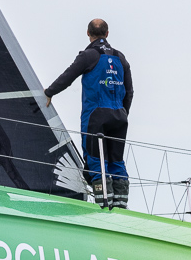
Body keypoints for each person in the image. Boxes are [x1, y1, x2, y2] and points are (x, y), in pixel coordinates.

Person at [45, 19, 133, 208]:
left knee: (95, 160)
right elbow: (130, 91)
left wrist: (49, 92)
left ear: (88, 33)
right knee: (116, 161)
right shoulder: (121, 58)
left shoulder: (89, 55)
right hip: (119, 117)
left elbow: (67, 77)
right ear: (107, 34)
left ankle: (104, 206)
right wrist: (123, 113)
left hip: (96, 117)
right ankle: (121, 207)